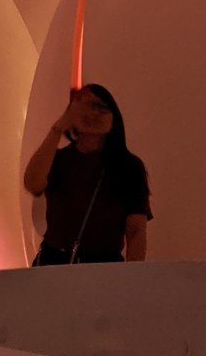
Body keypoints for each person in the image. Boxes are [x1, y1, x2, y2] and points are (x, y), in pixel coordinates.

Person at [23, 83, 150, 264]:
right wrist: (57, 128)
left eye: (101, 107)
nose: (94, 113)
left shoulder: (129, 167)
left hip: (104, 265)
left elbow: (136, 228)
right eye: (85, 106)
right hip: (54, 261)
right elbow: (32, 183)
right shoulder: (58, 160)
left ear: (114, 118)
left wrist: (132, 273)